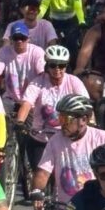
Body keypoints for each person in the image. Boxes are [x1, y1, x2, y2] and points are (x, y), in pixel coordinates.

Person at [29, 93, 105, 210]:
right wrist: (37, 191)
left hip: (98, 206)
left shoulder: (103, 138)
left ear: (83, 119)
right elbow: (42, 172)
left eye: (67, 119)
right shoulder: (55, 141)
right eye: (60, 118)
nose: (62, 124)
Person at [15, 45, 90, 174]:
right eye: (53, 65)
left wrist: (89, 122)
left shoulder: (74, 82)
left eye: (61, 65)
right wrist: (20, 122)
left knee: (65, 173)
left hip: (65, 137)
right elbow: (27, 104)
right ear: (47, 66)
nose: (57, 69)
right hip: (40, 137)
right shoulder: (37, 82)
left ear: (66, 66)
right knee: (39, 173)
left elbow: (86, 106)